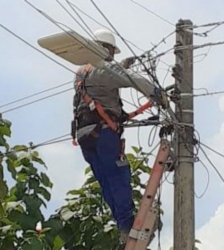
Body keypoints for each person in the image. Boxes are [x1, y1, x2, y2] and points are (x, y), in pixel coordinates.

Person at [71, 28, 167, 247]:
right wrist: (156, 94)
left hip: (85, 136)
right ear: (105, 49)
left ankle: (123, 226)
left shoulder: (81, 71)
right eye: (111, 52)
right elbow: (128, 78)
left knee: (106, 182)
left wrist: (121, 65)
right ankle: (128, 225)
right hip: (104, 133)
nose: (112, 56)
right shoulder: (104, 69)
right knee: (118, 176)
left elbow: (104, 80)